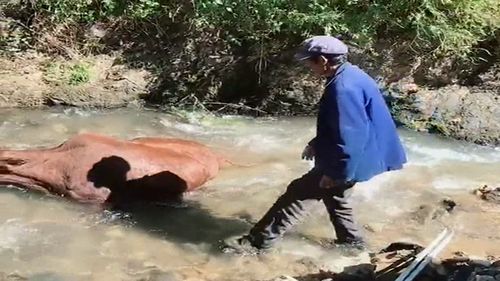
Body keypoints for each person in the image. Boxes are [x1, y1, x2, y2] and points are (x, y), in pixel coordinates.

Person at [224, 35, 407, 253]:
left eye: (308, 62)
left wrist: (336, 172)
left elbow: (350, 135)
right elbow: (347, 124)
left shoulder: (343, 88)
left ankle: (256, 244)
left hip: (351, 157)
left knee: (297, 194)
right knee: (336, 197)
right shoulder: (353, 74)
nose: (308, 68)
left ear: (322, 60)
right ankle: (352, 244)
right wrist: (317, 143)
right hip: (366, 154)